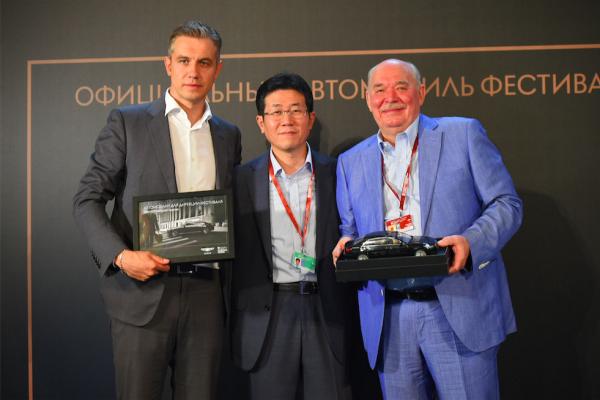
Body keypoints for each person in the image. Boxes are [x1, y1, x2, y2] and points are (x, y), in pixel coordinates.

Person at [332, 59, 523, 399]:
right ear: (368, 98)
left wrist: (471, 242)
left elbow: (507, 204)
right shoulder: (351, 161)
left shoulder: (463, 134)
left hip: (457, 304)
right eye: (380, 90)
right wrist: (347, 245)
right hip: (390, 319)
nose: (390, 97)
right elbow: (351, 230)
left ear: (421, 92)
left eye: (401, 87)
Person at [72, 21, 241, 400]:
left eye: (204, 62)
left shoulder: (228, 134)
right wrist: (121, 256)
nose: (193, 71)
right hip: (141, 292)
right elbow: (87, 199)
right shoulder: (128, 122)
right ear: (168, 65)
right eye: (184, 60)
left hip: (206, 296)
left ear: (217, 69)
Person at [231, 73, 352, 399]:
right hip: (268, 315)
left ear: (310, 119)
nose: (286, 119)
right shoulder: (240, 180)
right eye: (276, 111)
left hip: (327, 310)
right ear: (261, 122)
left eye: (296, 110)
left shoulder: (339, 172)